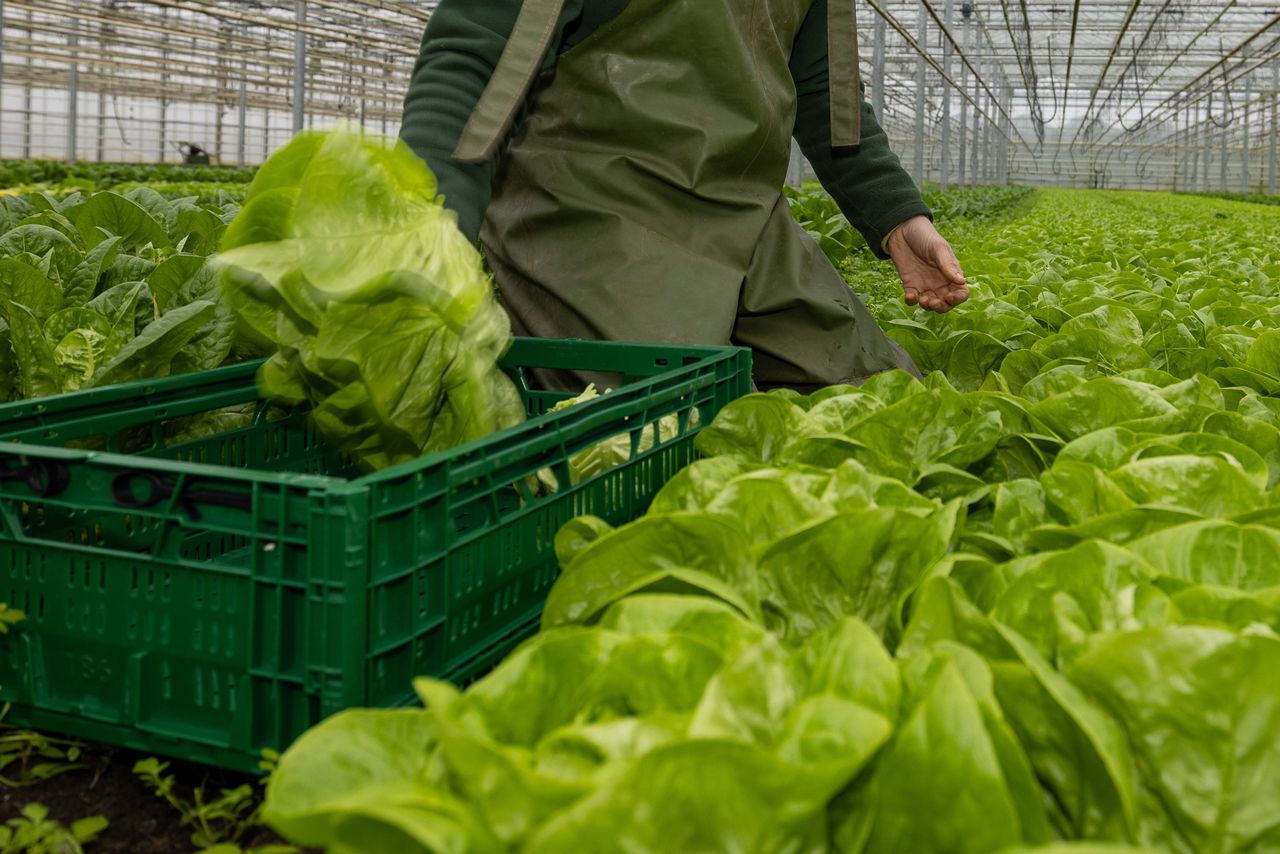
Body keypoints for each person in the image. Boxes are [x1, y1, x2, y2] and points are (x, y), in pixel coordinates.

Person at [400, 0, 969, 391]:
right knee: (651, 434)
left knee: (878, 399)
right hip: (587, 210)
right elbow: (477, 57)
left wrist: (897, 217)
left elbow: (827, 93)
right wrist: (430, 237)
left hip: (745, 220)